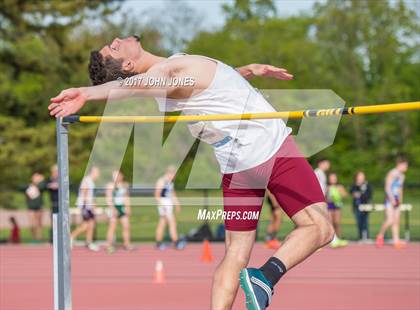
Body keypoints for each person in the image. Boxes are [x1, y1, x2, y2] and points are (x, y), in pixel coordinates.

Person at [48, 35, 334, 310]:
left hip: (238, 167)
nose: (118, 40)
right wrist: (87, 92)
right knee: (320, 227)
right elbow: (142, 84)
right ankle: (265, 277)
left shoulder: (175, 75)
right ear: (127, 66)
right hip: (269, 148)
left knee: (235, 254)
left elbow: (212, 84)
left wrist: (246, 71)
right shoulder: (165, 72)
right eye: (114, 48)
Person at [376, 157, 409, 249]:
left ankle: (396, 241)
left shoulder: (402, 176)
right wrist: (392, 199)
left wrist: (400, 201)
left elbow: (400, 189)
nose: (406, 167)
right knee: (390, 219)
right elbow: (387, 187)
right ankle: (380, 235)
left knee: (396, 221)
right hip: (389, 199)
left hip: (397, 200)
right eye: (405, 165)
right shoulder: (392, 173)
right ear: (400, 164)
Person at [154, 166, 185, 250]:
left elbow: (172, 193)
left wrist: (177, 203)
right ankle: (176, 242)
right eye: (173, 174)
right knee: (172, 223)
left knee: (162, 224)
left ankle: (158, 243)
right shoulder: (161, 181)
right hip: (164, 205)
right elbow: (157, 195)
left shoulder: (170, 182)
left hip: (168, 205)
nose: (174, 176)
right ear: (168, 173)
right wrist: (162, 206)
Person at [71, 166, 100, 251]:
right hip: (85, 206)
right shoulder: (86, 180)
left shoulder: (92, 182)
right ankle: (70, 237)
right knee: (86, 225)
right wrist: (86, 205)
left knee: (91, 224)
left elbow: (92, 196)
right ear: (92, 172)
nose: (98, 174)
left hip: (89, 206)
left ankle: (89, 242)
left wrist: (94, 205)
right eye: (97, 172)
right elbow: (84, 193)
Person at [105, 171, 133, 253]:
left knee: (126, 226)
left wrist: (128, 207)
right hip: (114, 207)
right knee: (112, 227)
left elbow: (126, 198)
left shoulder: (124, 185)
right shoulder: (110, 186)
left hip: (122, 207)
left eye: (118, 176)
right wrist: (113, 209)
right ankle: (109, 246)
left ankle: (127, 244)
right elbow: (108, 199)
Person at [326, 172, 348, 248]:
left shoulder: (339, 186)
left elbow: (345, 195)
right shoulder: (327, 187)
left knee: (337, 222)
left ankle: (339, 238)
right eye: (331, 178)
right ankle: (332, 239)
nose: (333, 179)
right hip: (329, 205)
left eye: (334, 178)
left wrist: (340, 192)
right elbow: (323, 196)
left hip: (337, 205)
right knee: (330, 222)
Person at [350, 171, 372, 241]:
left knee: (365, 221)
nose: (361, 178)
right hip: (357, 206)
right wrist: (357, 187)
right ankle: (360, 237)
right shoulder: (354, 185)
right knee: (359, 222)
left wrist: (361, 194)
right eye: (359, 176)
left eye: (362, 176)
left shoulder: (367, 185)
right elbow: (352, 192)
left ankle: (366, 237)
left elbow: (369, 194)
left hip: (365, 206)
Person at [25, 172, 45, 242]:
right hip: (31, 207)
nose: (36, 179)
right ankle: (34, 238)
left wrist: (41, 180)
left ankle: (39, 238)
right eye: (35, 177)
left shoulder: (41, 186)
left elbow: (43, 186)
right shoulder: (29, 186)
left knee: (39, 223)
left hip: (39, 207)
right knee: (32, 223)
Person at [46, 165, 59, 243]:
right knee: (54, 222)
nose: (56, 173)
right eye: (54, 171)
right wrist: (51, 185)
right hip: (54, 204)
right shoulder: (50, 179)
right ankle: (52, 239)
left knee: (62, 222)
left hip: (61, 204)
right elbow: (46, 185)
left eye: (57, 171)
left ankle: (62, 238)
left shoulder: (61, 179)